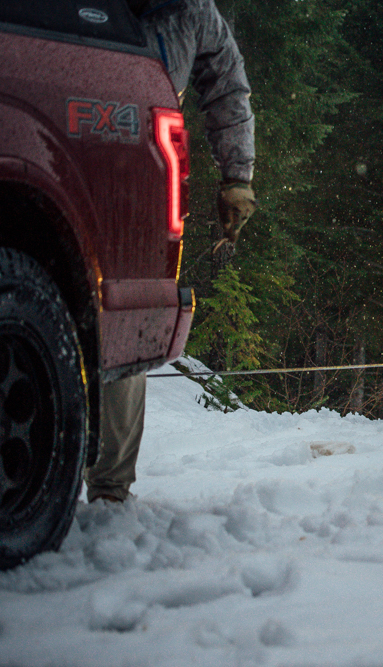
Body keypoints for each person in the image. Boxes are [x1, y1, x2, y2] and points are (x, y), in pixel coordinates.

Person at [84, 0, 257, 503]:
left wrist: (237, 176)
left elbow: (228, 85)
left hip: (137, 170)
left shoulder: (190, 12)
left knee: (125, 311)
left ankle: (110, 490)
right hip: (52, 141)